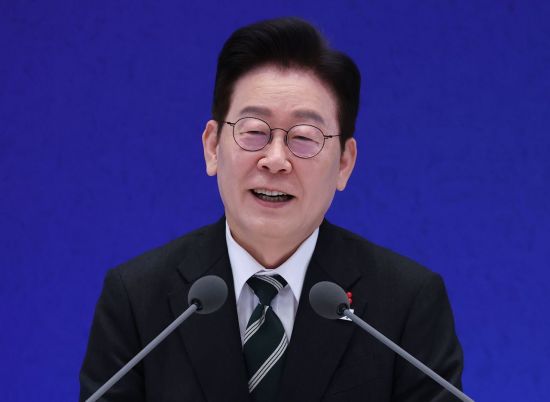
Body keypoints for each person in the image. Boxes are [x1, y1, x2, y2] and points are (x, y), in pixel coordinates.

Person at [80, 17, 464, 402]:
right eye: (254, 132)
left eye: (304, 137)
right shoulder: (136, 299)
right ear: (212, 147)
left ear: (344, 163)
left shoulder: (407, 303)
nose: (276, 160)